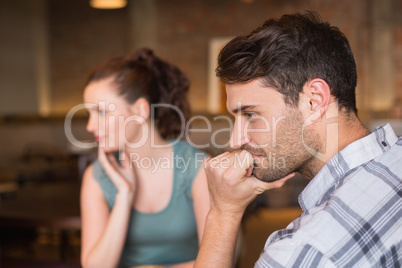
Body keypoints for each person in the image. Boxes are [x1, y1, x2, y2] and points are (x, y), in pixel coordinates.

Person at [195, 11, 402, 267]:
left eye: (250, 114)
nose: (235, 140)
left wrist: (222, 213)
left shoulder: (299, 253)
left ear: (314, 100)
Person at [80, 48, 210, 268]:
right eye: (88, 114)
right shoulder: (96, 176)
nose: (90, 126)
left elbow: (222, 260)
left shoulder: (197, 167)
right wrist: (124, 196)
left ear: (140, 110)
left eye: (101, 112)